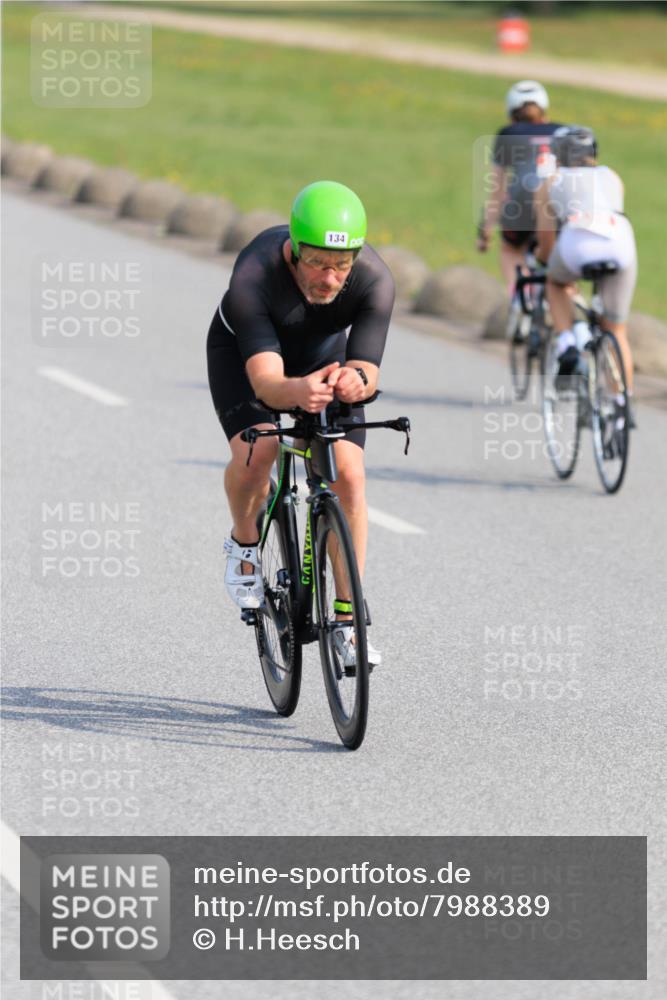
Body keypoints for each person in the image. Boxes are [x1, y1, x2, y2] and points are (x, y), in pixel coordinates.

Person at [206, 180, 395, 667]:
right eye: (316, 262)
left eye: (341, 265)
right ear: (293, 249)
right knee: (260, 451)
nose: (329, 278)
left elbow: (367, 367)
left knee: (348, 476)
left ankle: (349, 623)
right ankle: (244, 543)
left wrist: (356, 380)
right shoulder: (255, 273)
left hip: (322, 359)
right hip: (246, 358)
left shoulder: (374, 279)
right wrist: (297, 392)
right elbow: (268, 383)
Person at [533, 125, 637, 409]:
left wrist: (546, 262)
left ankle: (568, 342)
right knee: (617, 330)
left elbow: (546, 242)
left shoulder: (551, 182)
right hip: (621, 243)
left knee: (555, 282)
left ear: (558, 155)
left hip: (576, 242)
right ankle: (621, 405)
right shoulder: (612, 176)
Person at [477, 80, 563, 294]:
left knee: (511, 249)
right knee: (560, 256)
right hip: (557, 202)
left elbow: (497, 189)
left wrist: (485, 230)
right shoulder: (562, 131)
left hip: (522, 201)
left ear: (511, 113)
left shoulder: (508, 134)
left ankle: (520, 296)